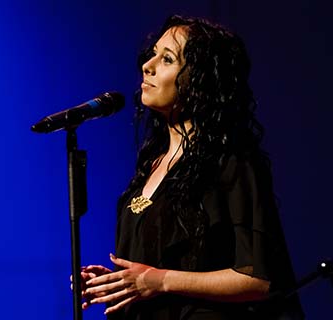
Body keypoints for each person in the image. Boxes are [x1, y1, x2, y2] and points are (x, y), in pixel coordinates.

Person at [77, 15, 304, 320]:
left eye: (167, 59)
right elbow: (158, 270)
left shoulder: (230, 163)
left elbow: (259, 279)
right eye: (153, 53)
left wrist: (161, 281)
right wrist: (117, 283)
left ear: (199, 80)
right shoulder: (150, 166)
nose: (148, 65)